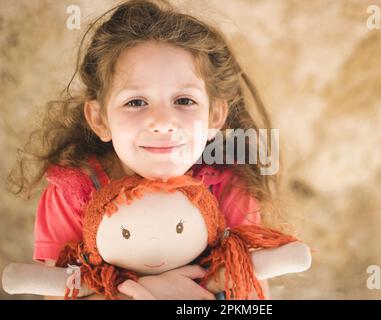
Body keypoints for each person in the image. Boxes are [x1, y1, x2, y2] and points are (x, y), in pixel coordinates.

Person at [8, 0, 283, 300]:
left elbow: (254, 302)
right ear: (100, 119)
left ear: (214, 117)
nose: (163, 123)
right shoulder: (73, 195)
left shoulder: (229, 188)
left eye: (184, 101)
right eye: (136, 102)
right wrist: (151, 292)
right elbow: (62, 292)